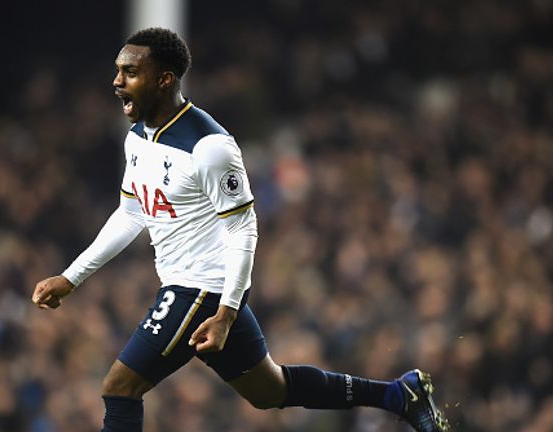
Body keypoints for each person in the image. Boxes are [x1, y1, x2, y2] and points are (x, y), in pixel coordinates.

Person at [31, 27, 450, 432]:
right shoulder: (138, 136)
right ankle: (400, 395)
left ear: (164, 79)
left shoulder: (209, 147)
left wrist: (226, 313)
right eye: (118, 70)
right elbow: (131, 213)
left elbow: (244, 231)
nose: (117, 80)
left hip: (200, 290)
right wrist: (71, 277)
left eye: (130, 73)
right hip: (195, 289)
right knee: (270, 390)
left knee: (120, 388)